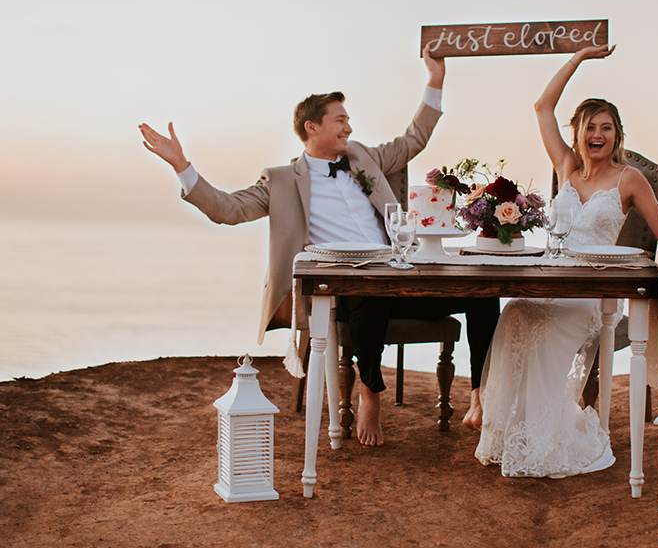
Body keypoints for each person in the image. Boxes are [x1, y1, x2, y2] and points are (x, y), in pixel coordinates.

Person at [139, 49, 498, 447]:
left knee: (483, 294)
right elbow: (228, 209)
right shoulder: (280, 181)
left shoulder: (363, 156)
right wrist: (181, 166)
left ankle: (480, 395)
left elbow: (414, 139)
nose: (348, 127)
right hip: (344, 290)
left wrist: (434, 80)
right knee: (369, 292)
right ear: (312, 127)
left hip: (400, 275)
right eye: (340, 120)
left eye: (348, 120)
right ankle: (371, 392)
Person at [475, 44, 658, 478]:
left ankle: (543, 440)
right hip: (553, 283)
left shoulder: (629, 179)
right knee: (514, 314)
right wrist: (579, 59)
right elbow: (542, 106)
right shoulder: (565, 165)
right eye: (589, 127)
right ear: (579, 133)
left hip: (590, 296)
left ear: (617, 135)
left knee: (541, 334)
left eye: (606, 128)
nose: (597, 135)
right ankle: (513, 431)